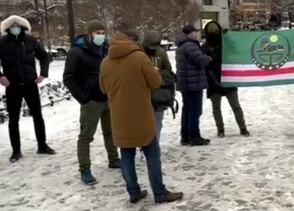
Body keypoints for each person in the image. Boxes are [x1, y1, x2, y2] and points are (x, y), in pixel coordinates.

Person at [100, 31, 183, 204]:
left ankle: (134, 192)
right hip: (142, 115)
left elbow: (103, 88)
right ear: (132, 41)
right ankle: (159, 193)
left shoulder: (106, 62)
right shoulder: (139, 58)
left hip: (119, 117)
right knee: (152, 154)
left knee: (127, 155)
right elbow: (156, 82)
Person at [63, 20, 120, 185]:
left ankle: (114, 158)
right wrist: (83, 97)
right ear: (90, 34)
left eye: (103, 32)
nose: (101, 35)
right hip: (91, 101)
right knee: (86, 136)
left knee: (110, 132)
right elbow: (69, 78)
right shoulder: (77, 52)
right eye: (98, 32)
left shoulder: (107, 50)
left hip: (108, 98)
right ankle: (85, 169)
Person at [0, 15, 55, 162]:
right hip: (12, 85)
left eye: (18, 26)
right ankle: (16, 151)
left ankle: (42, 145)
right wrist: (1, 77)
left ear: (23, 28)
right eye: (12, 26)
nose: (15, 29)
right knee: (13, 119)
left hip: (30, 83)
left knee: (38, 115)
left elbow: (43, 57)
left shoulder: (30, 41)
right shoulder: (2, 42)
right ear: (8, 28)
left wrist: (43, 74)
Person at [201, 21, 250, 138]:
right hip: (213, 80)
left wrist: (230, 35)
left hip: (229, 78)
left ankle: (243, 127)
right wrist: (212, 78)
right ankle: (220, 129)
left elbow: (238, 48)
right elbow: (205, 65)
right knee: (216, 107)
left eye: (216, 31)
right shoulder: (205, 46)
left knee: (235, 105)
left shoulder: (226, 42)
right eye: (211, 31)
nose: (214, 33)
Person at [175, 25, 212, 146]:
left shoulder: (181, 45)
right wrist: (208, 58)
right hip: (193, 83)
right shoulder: (190, 45)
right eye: (195, 32)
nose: (196, 34)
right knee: (195, 111)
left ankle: (185, 136)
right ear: (190, 33)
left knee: (187, 110)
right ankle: (194, 136)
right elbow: (200, 60)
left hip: (185, 83)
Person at [141, 30, 175, 142]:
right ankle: (145, 144)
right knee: (144, 121)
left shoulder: (161, 52)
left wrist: (158, 72)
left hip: (159, 91)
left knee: (157, 121)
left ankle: (155, 144)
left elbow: (168, 70)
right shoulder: (139, 53)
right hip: (144, 91)